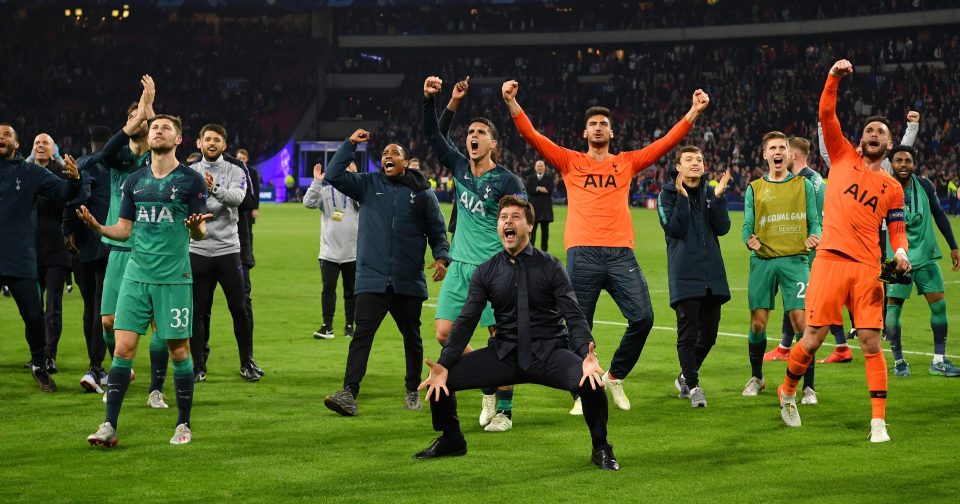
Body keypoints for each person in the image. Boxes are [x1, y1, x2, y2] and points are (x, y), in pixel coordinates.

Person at [503, 79, 709, 412]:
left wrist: (694, 112)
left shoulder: (626, 162)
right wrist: (512, 103)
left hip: (620, 253)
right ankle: (582, 393)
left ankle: (615, 375)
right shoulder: (570, 161)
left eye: (604, 125)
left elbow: (666, 142)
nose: (599, 128)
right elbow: (533, 138)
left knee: (643, 318)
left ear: (612, 133)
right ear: (585, 133)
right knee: (579, 325)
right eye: (593, 124)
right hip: (582, 252)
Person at [414, 195, 617, 471]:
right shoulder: (487, 271)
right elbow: (466, 320)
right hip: (505, 353)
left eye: (516, 217)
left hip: (550, 352)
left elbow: (574, 316)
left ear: (530, 226)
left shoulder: (550, 266)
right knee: (441, 379)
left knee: (591, 382)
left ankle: (601, 447)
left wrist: (585, 354)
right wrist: (444, 363)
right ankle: (452, 439)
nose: (508, 221)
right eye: (503, 218)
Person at [776, 59, 910, 443]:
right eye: (869, 129)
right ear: (861, 138)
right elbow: (825, 113)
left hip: (870, 268)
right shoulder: (842, 155)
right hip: (830, 261)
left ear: (888, 144)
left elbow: (898, 232)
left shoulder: (893, 188)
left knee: (870, 341)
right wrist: (834, 79)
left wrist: (901, 254)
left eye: (880, 132)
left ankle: (878, 422)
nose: (873, 134)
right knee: (814, 337)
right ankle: (787, 391)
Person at [80, 114, 210, 447]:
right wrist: (98, 228)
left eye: (165, 128)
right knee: (122, 348)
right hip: (136, 277)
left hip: (174, 279)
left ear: (178, 139)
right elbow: (124, 229)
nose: (158, 131)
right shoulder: (134, 181)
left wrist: (195, 227)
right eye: (154, 127)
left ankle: (183, 424)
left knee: (179, 351)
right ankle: (109, 425)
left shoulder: (191, 180)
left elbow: (200, 230)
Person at [322, 128, 451, 417]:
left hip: (407, 279)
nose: (387, 157)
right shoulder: (368, 184)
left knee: (411, 337)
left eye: (394, 153)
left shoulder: (422, 192)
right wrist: (349, 144)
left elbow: (437, 230)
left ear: (406, 161)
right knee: (362, 335)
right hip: (372, 277)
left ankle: (411, 390)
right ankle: (349, 393)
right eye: (384, 154)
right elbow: (332, 174)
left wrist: (442, 257)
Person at [424, 75, 526, 432]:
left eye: (481, 132)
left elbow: (522, 223)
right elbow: (433, 136)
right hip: (460, 265)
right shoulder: (459, 168)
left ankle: (505, 412)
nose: (473, 136)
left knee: (502, 339)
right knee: (444, 334)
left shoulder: (508, 182)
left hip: (495, 269)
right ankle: (487, 384)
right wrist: (444, 101)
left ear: (493, 144)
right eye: (470, 131)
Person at [740, 131, 821, 402]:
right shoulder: (754, 188)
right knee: (758, 322)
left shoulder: (804, 185)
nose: (777, 152)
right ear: (765, 154)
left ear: (789, 154)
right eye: (772, 148)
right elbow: (747, 226)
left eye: (782, 148)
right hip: (763, 261)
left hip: (795, 260)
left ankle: (808, 386)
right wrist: (748, 240)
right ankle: (757, 377)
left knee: (802, 323)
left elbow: (815, 220)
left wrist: (815, 235)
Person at [0, 123, 80, 392]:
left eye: (6, 134)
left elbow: (63, 192)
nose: (1, 137)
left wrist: (73, 179)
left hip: (20, 258)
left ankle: (38, 363)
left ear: (17, 143)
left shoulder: (31, 172)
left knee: (34, 316)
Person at [656, 146, 732, 407]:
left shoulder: (711, 193)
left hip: (712, 275)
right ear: (678, 167)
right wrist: (681, 197)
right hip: (685, 274)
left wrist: (719, 198)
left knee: (709, 334)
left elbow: (722, 228)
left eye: (699, 159)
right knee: (688, 334)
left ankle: (684, 378)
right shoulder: (666, 195)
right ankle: (694, 385)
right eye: (689, 159)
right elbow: (674, 228)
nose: (695, 163)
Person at [188, 124, 261, 382]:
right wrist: (218, 199)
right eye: (207, 139)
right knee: (198, 311)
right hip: (197, 250)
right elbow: (187, 205)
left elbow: (239, 197)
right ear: (199, 143)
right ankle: (198, 366)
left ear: (224, 145)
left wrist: (214, 191)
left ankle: (247, 362)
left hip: (228, 250)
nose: (211, 143)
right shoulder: (190, 172)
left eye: (216, 140)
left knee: (239, 308)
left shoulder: (236, 169)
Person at [884, 145, 960, 377]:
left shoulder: (925, 186)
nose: (904, 164)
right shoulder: (884, 187)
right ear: (892, 164)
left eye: (908, 160)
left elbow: (939, 215)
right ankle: (899, 363)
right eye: (899, 161)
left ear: (914, 164)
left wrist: (954, 246)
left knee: (939, 304)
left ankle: (938, 360)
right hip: (896, 258)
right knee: (893, 308)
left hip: (926, 255)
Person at [64, 125, 113, 392]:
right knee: (102, 309)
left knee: (89, 307)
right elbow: (82, 195)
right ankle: (97, 367)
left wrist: (67, 230)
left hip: (81, 248)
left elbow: (71, 199)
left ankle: (97, 366)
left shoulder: (81, 163)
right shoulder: (111, 166)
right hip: (107, 245)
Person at [31, 133, 73, 374]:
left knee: (53, 307)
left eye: (45, 143)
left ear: (53, 149)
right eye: (37, 143)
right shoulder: (25, 173)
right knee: (33, 308)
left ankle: (49, 356)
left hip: (56, 251)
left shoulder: (62, 172)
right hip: (30, 250)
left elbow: (67, 202)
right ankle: (37, 354)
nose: (40, 146)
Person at [304, 161, 359, 339]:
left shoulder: (355, 191)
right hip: (329, 253)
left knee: (351, 292)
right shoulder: (325, 192)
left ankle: (350, 326)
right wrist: (317, 181)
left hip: (352, 252)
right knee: (328, 290)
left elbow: (365, 202)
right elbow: (308, 202)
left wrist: (356, 178)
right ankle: (327, 326)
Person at [234, 148, 259, 347]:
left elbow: (251, 197)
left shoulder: (243, 170)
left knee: (242, 303)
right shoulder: (195, 170)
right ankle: (199, 362)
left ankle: (247, 358)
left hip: (236, 248)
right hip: (202, 248)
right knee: (201, 308)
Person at [524, 160, 555, 252]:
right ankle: (530, 250)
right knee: (532, 232)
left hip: (545, 210)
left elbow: (550, 189)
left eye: (541, 166)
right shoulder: (530, 178)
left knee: (545, 233)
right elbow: (528, 189)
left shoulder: (549, 178)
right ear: (535, 167)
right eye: (538, 166)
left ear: (544, 167)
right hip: (534, 210)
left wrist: (536, 189)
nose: (539, 168)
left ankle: (544, 251)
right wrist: (539, 188)